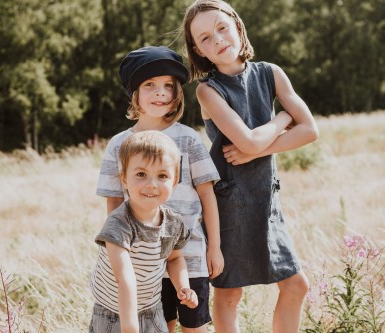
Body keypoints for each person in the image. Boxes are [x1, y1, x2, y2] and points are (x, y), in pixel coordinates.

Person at [182, 1, 319, 332]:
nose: (217, 39)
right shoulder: (208, 90)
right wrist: (283, 118)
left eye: (221, 28)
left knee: (295, 284)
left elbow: (310, 131)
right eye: (205, 38)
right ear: (200, 52)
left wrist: (255, 150)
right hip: (228, 201)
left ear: (238, 27)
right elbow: (248, 142)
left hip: (266, 198)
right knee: (229, 294)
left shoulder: (271, 73)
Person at [96, 45, 224, 332]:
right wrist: (120, 252)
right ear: (134, 94)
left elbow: (207, 194)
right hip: (144, 261)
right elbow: (114, 203)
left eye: (168, 85)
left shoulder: (188, 139)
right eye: (150, 85)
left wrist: (214, 246)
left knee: (195, 324)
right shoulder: (119, 144)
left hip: (190, 255)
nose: (160, 92)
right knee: (158, 326)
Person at [90, 130, 199, 333]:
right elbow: (125, 278)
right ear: (124, 179)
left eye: (162, 176)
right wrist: (130, 328)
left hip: (151, 307)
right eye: (141, 174)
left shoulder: (172, 222)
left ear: (174, 183)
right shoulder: (119, 224)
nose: (152, 184)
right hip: (112, 314)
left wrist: (183, 286)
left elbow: (174, 259)